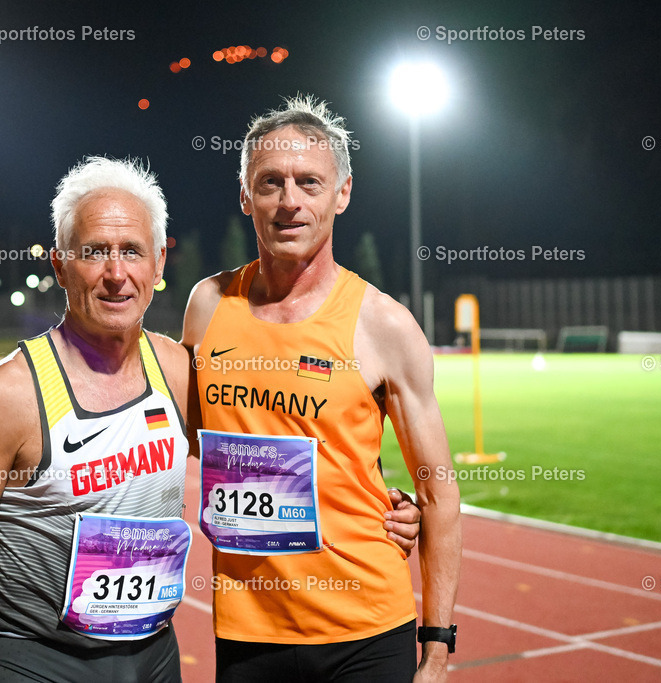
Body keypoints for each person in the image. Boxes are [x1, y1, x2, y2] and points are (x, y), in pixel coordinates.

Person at [0, 156, 421, 682]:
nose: (116, 275)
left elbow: (257, 457)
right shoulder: (4, 398)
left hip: (152, 656)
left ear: (157, 265)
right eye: (95, 252)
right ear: (60, 266)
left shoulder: (178, 372)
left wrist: (378, 502)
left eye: (132, 252)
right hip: (35, 658)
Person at [182, 96, 461, 682]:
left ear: (342, 193)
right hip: (248, 632)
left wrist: (436, 651)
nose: (290, 201)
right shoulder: (208, 306)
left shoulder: (384, 325)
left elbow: (438, 493)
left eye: (309, 182)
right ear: (245, 195)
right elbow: (193, 440)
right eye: (270, 182)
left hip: (366, 628)